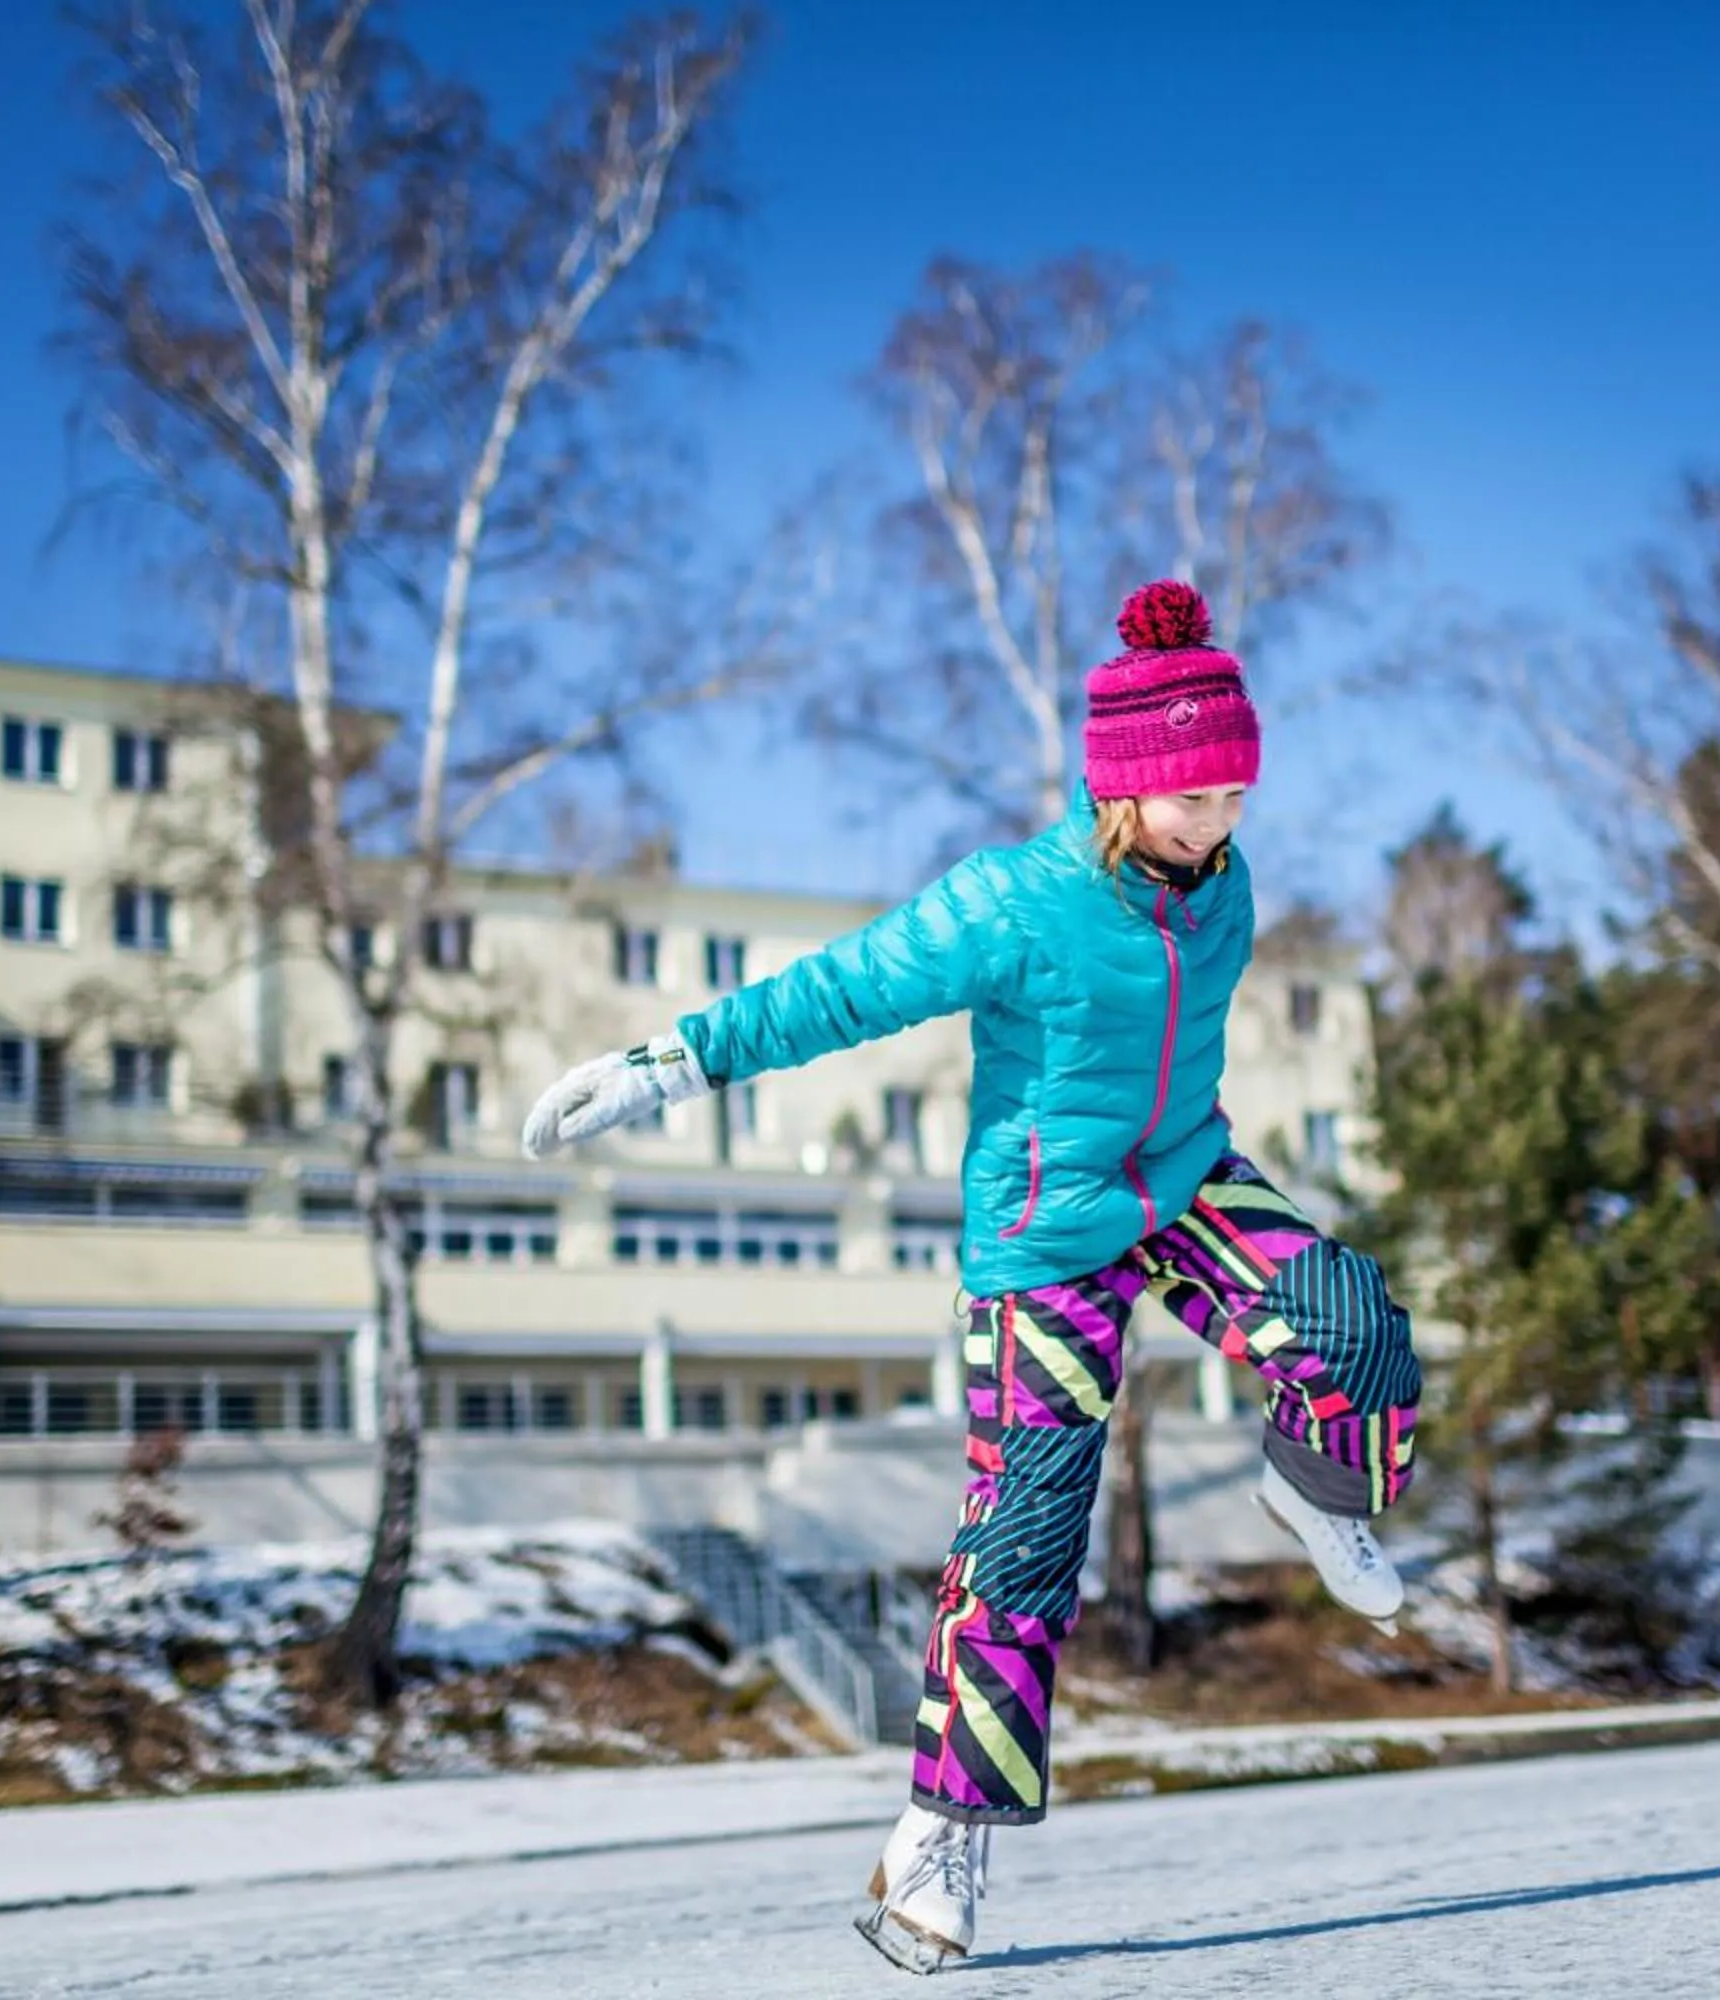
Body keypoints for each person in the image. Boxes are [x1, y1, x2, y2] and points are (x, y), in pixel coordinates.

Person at [520, 579, 1424, 1975]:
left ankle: (1312, 1495)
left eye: (1238, 796)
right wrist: (669, 1062)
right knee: (1026, 1543)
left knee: (1353, 1329)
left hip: (1185, 1182)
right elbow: (840, 989)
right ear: (1126, 785)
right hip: (1045, 1242)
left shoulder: (1224, 894)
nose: (1220, 823)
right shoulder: (1013, 902)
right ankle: (940, 1837)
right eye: (1196, 798)